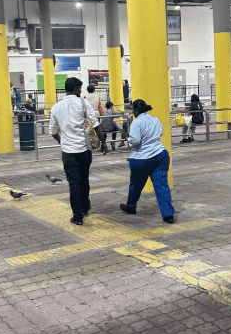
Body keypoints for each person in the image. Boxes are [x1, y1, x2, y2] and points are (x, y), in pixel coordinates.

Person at [49, 77, 107, 225]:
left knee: (73, 183)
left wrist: (61, 141)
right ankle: (85, 207)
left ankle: (77, 216)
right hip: (84, 150)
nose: (80, 91)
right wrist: (103, 141)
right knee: (84, 179)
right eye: (80, 88)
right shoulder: (83, 103)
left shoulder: (56, 107)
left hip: (68, 152)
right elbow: (95, 124)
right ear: (75, 88)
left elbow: (53, 131)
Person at [120, 99, 175, 223]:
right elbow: (161, 132)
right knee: (161, 186)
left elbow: (135, 140)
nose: (132, 112)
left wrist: (127, 136)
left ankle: (131, 207)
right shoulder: (155, 119)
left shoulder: (137, 122)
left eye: (132, 109)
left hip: (141, 159)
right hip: (160, 155)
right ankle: (168, 215)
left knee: (136, 185)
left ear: (136, 110)